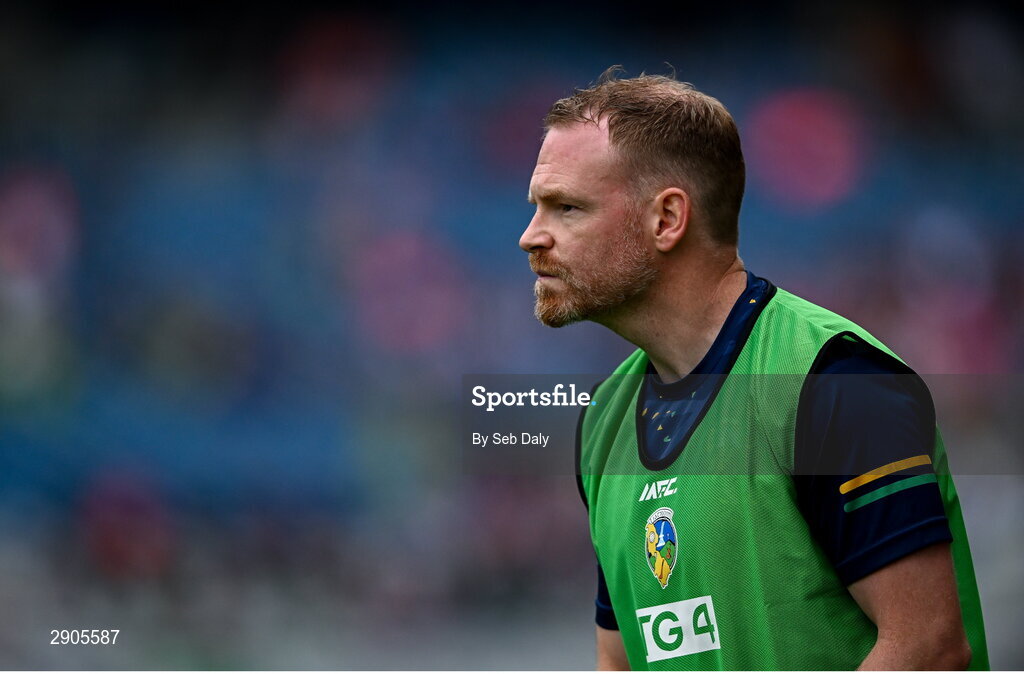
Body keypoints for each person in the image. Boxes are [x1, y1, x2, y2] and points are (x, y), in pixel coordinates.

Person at [519, 68, 988, 670]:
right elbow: (622, 660)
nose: (532, 236)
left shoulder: (835, 382)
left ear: (667, 219)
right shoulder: (604, 422)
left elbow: (928, 650)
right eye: (537, 207)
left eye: (566, 207)